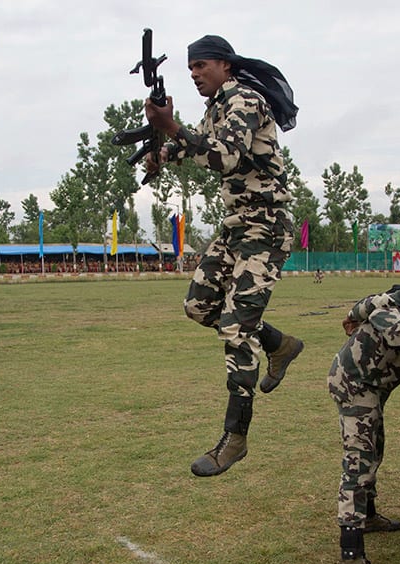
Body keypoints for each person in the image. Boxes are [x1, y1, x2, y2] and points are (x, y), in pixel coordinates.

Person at [143, 34, 303, 477]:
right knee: (199, 306)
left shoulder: (245, 99)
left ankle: (235, 439)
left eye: (201, 66)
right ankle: (280, 344)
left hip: (264, 227)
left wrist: (173, 128)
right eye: (190, 68)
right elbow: (197, 144)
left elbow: (226, 156)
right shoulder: (217, 107)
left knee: (235, 329)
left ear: (225, 66)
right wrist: (162, 150)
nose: (194, 74)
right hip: (236, 227)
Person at [330, 279, 400, 564]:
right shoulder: (394, 310)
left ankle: (370, 515)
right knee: (359, 463)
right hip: (354, 385)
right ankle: (351, 559)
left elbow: (367, 305)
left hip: (374, 388)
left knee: (375, 450)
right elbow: (382, 314)